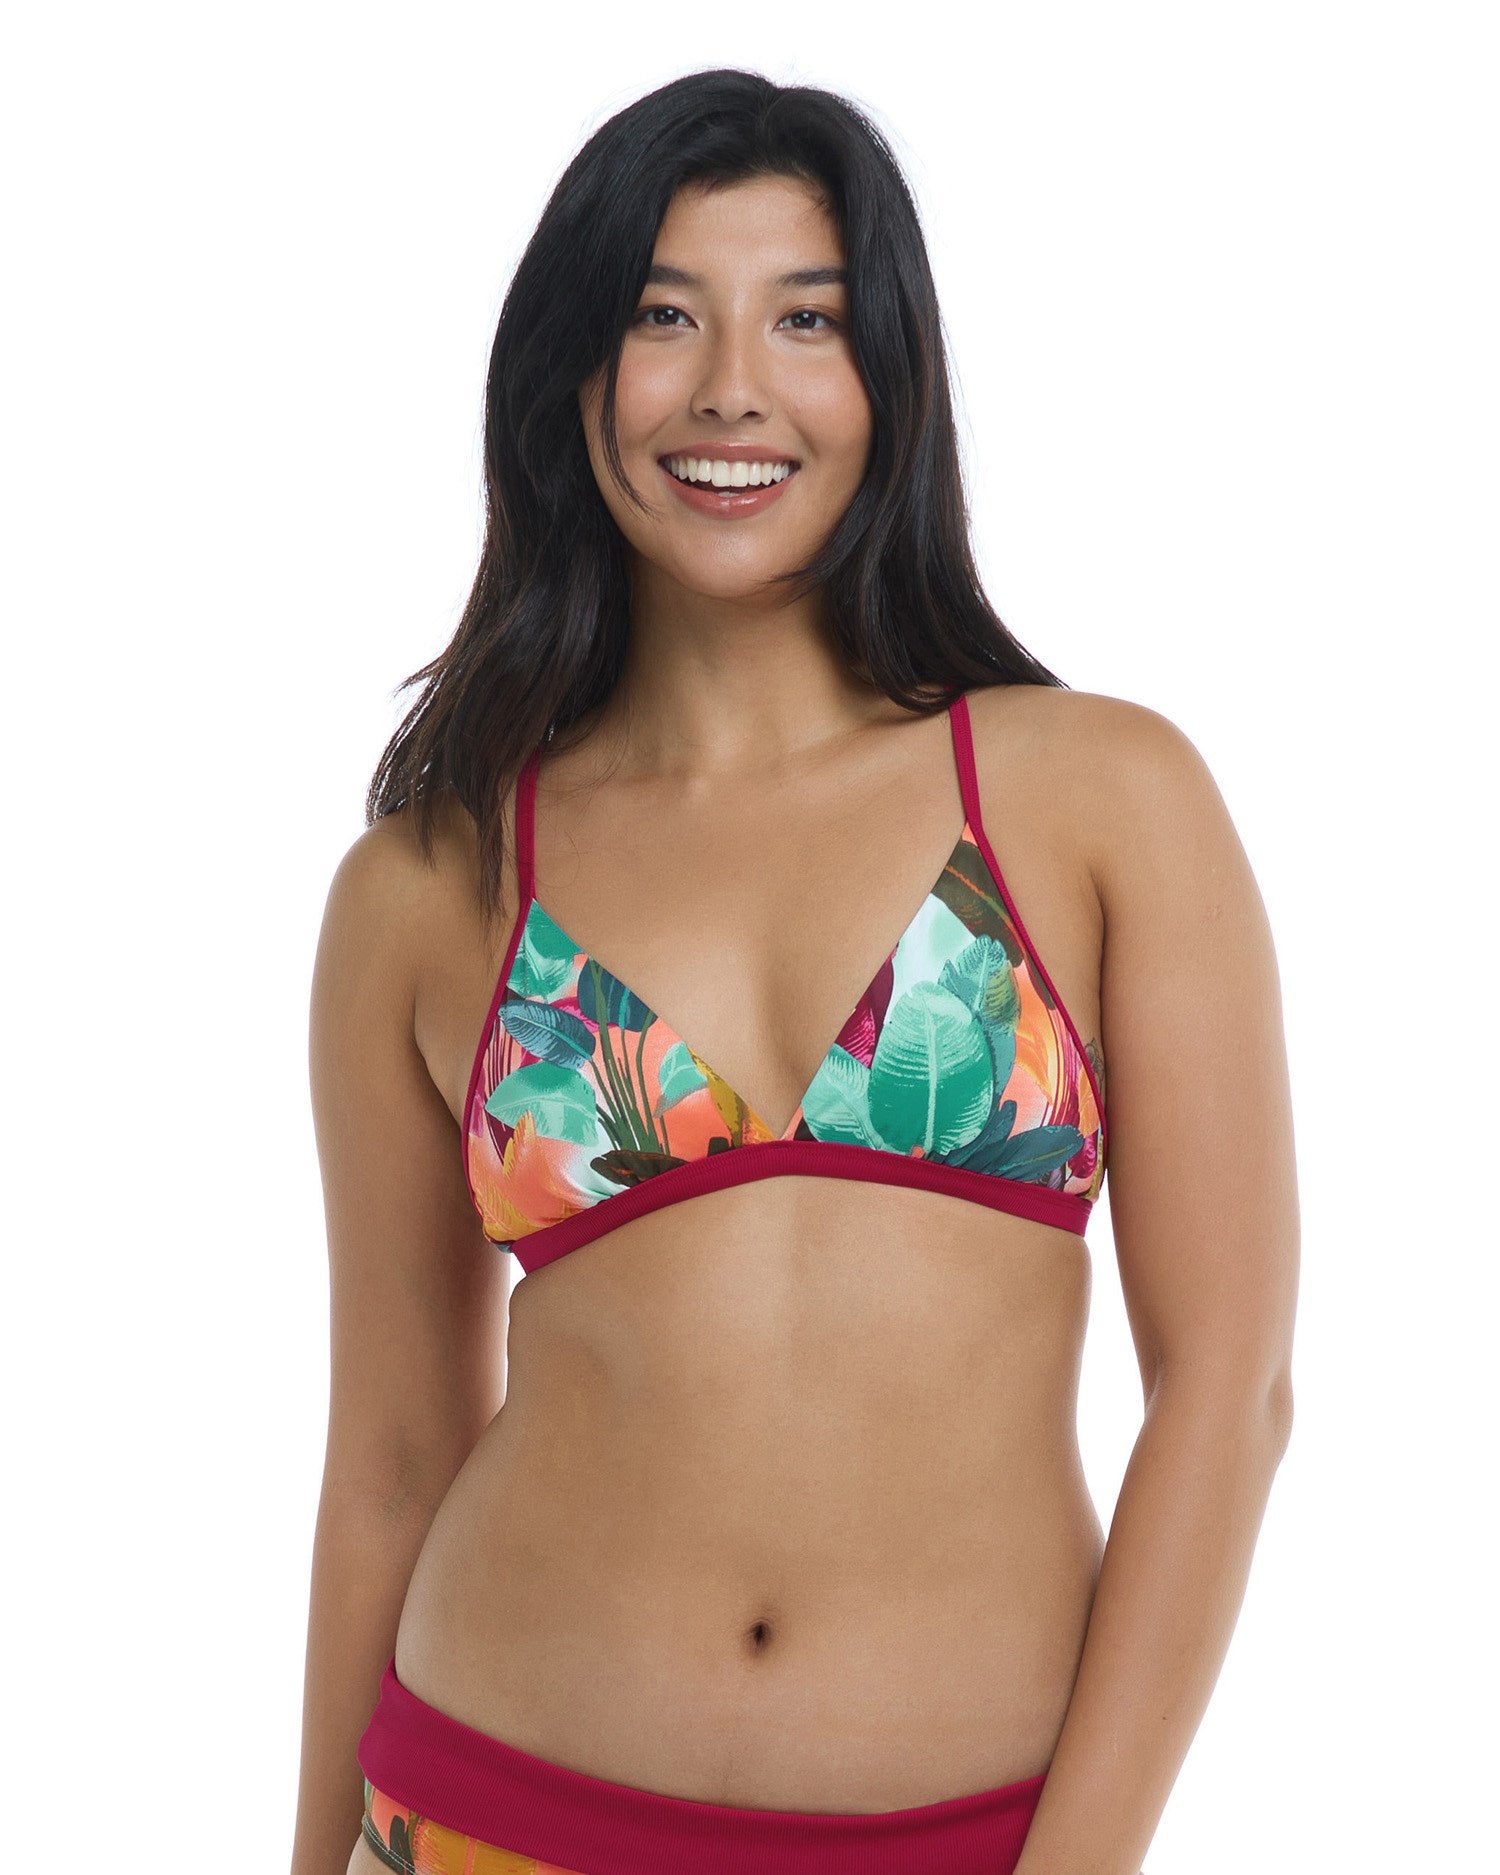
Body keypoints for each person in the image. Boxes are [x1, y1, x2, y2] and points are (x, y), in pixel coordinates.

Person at [291, 67, 1300, 1875]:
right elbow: (388, 1456)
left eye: (807, 319)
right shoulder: (429, 886)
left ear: (890, 378)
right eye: (663, 315)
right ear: (571, 379)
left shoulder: (1098, 797)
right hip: (482, 1813)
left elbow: (1227, 1388)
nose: (731, 388)